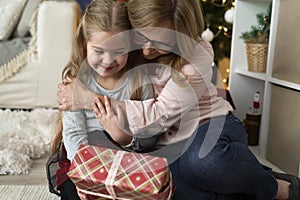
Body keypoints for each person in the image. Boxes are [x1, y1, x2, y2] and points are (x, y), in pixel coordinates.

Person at [57, 0, 300, 199]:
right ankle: (241, 182)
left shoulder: (196, 57)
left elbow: (158, 114)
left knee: (203, 162)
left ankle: (276, 188)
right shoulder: (129, 53)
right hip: (169, 140)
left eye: (161, 42)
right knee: (167, 188)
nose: (147, 50)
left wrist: (88, 99)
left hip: (207, 124)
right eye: (142, 36)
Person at [49, 0, 158, 199]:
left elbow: (150, 136)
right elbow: (74, 134)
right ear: (84, 44)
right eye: (99, 51)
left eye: (119, 52)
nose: (108, 61)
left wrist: (125, 137)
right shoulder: (77, 80)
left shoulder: (140, 80)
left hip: (128, 157)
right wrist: (87, 175)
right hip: (83, 158)